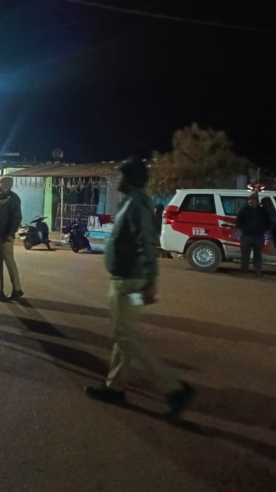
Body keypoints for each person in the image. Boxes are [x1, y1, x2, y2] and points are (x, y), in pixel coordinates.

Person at [85, 156, 196, 418]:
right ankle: (115, 387)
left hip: (129, 282)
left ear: (131, 179)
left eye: (122, 175)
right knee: (124, 334)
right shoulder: (132, 203)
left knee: (126, 337)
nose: (119, 179)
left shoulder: (136, 205)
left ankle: (175, 388)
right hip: (127, 280)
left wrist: (150, 282)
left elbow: (147, 244)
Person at [236, 192, 271, 278]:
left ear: (257, 201)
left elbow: (268, 222)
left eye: (253, 200)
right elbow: (238, 221)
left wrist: (263, 229)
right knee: (245, 255)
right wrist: (244, 228)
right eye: (250, 200)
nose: (251, 201)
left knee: (258, 256)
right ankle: (243, 271)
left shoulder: (262, 210)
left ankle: (258, 272)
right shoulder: (244, 210)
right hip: (247, 236)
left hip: (259, 236)